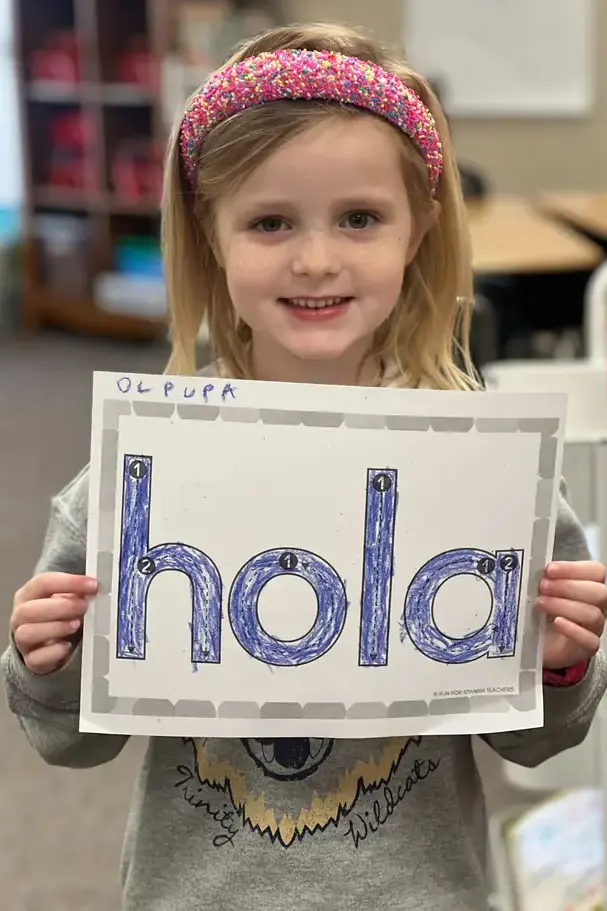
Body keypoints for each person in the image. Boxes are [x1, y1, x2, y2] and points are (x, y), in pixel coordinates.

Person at [3, 22, 607, 911]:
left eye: (359, 218)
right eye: (269, 222)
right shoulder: (143, 476)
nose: (316, 259)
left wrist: (557, 664)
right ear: (211, 237)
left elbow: (537, 741)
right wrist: (46, 659)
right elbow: (72, 742)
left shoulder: (492, 479)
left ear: (417, 228)